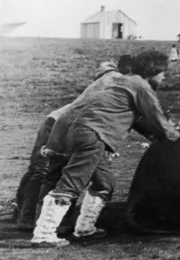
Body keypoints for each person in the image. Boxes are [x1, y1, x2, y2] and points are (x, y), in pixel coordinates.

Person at [31, 50, 180, 247]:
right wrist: (177, 134)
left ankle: (84, 229)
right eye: (163, 73)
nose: (164, 77)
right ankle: (43, 233)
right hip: (94, 135)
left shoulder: (119, 81)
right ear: (153, 71)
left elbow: (137, 119)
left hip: (84, 132)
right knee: (71, 183)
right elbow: (156, 118)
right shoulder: (141, 87)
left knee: (105, 183)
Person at [14, 56, 134, 232]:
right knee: (51, 173)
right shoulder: (116, 81)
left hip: (65, 122)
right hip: (68, 124)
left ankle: (33, 219)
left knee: (48, 173)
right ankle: (35, 221)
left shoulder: (109, 81)